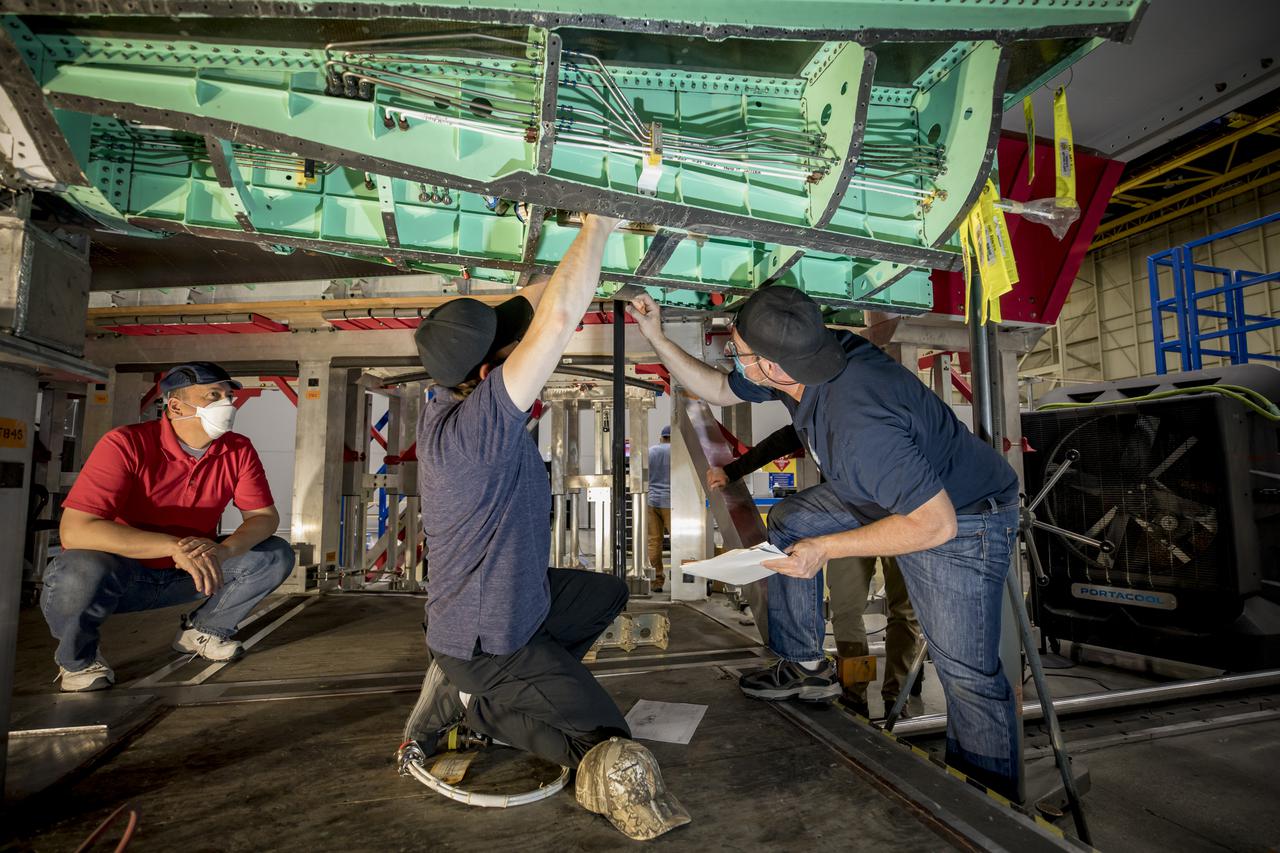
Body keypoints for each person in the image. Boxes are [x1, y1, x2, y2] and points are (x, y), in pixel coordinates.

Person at [628, 286, 1022, 799]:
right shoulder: (812, 358)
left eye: (738, 351)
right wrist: (655, 336)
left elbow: (934, 526)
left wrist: (827, 549)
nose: (733, 357)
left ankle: (992, 808)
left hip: (961, 519)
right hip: (890, 495)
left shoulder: (856, 424)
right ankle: (807, 667)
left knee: (967, 675)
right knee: (793, 519)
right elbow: (721, 390)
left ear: (772, 367)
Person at [403, 214, 689, 841]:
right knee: (609, 743)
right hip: (486, 640)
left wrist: (579, 249)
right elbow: (556, 323)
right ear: (486, 377)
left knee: (606, 592)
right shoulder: (476, 431)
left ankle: (522, 686)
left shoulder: (454, 397)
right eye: (513, 351)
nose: (526, 346)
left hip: (517, 604)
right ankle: (480, 704)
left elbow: (537, 307)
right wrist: (601, 223)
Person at [41, 362, 295, 692]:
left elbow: (264, 517)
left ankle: (204, 631)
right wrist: (173, 547)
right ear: (175, 406)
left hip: (193, 573)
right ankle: (79, 662)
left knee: (274, 554)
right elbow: (76, 531)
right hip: (123, 577)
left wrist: (223, 549)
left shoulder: (237, 449)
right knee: (75, 571)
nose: (227, 404)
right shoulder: (125, 443)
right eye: (213, 395)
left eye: (228, 396)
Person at [707, 425, 924, 718]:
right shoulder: (821, 403)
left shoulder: (879, 401)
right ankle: (854, 693)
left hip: (904, 515)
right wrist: (733, 471)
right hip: (849, 517)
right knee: (847, 609)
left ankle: (896, 697)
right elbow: (786, 437)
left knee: (905, 611)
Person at [645, 425, 672, 592]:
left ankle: (656, 581)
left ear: (662, 437)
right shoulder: (678, 452)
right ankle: (680, 580)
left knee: (654, 542)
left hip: (652, 501)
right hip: (672, 503)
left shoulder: (651, 451)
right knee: (678, 542)